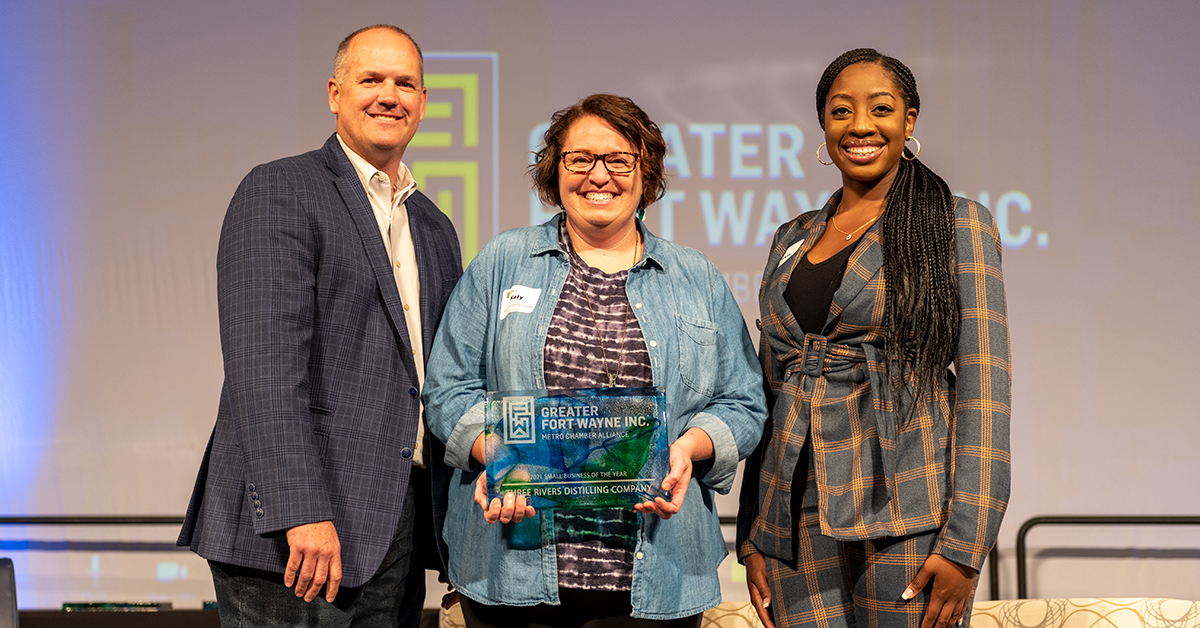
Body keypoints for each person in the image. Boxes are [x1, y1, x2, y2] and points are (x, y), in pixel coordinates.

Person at [423, 94, 766, 627]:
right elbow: (447, 388)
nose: (597, 175)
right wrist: (497, 453)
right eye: (579, 159)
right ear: (554, 172)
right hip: (512, 567)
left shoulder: (695, 276)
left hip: (660, 570)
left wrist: (686, 450)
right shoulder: (503, 260)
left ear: (645, 174)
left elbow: (743, 401)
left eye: (619, 160)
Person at [177, 24, 462, 627]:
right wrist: (299, 510)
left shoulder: (435, 228)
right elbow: (265, 368)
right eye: (371, 80)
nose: (390, 95)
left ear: (423, 102)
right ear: (335, 93)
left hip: (398, 525)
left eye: (404, 83)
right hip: (299, 531)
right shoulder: (281, 188)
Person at [737, 49, 1011, 628]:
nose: (860, 125)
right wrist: (753, 532)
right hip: (793, 512)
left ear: (908, 121)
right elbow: (768, 388)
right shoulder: (793, 235)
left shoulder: (958, 223)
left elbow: (985, 387)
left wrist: (965, 543)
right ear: (824, 127)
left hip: (905, 503)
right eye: (841, 111)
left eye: (880, 109)